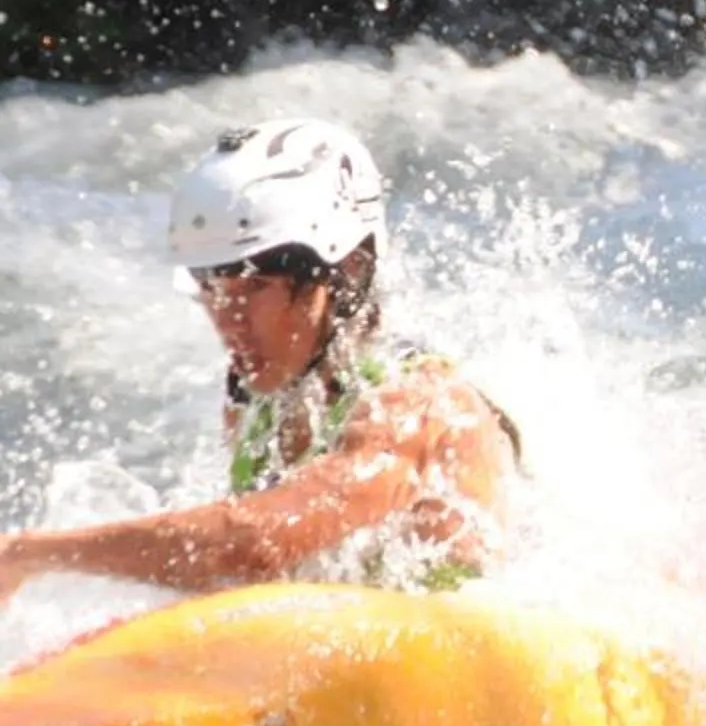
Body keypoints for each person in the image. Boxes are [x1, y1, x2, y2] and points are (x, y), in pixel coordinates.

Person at [0, 119, 522, 604]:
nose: (230, 317)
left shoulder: (417, 407)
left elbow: (252, 543)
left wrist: (36, 553)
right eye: (213, 287)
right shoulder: (259, 404)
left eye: (257, 287)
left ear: (347, 269)